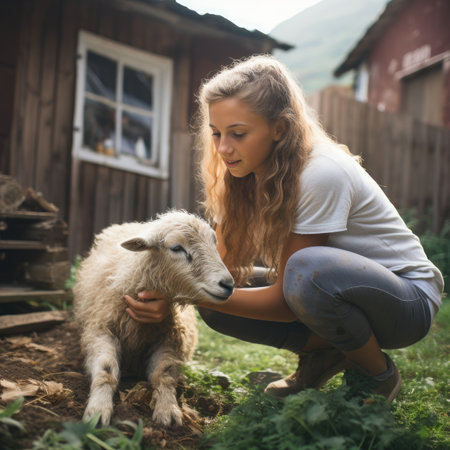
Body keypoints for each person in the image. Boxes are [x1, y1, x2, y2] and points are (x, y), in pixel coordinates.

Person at [124, 55, 444, 402]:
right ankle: (325, 354)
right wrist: (173, 295)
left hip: (406, 302)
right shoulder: (244, 173)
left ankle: (379, 374)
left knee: (304, 272)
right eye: (216, 133)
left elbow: (288, 298)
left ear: (279, 128)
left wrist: (179, 296)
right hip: (335, 290)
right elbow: (224, 270)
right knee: (216, 297)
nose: (223, 148)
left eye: (238, 134)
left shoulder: (320, 173)